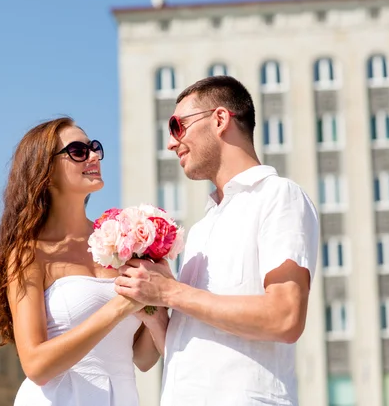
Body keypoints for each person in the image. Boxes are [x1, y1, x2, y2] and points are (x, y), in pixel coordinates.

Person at [115, 76, 319, 406]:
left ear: (220, 119)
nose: (171, 142)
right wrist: (157, 312)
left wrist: (170, 291)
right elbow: (195, 355)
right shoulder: (201, 227)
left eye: (177, 125)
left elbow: (285, 317)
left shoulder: (279, 195)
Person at [0, 117, 169, 406]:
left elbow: (143, 359)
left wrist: (162, 296)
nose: (94, 155)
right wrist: (119, 307)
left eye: (94, 147)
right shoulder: (29, 253)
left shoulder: (123, 242)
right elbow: (35, 365)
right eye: (78, 151)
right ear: (45, 169)